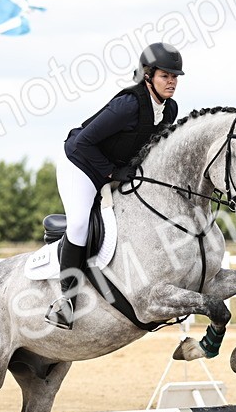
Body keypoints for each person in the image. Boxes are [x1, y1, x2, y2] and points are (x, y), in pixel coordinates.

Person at [46, 42, 184, 329]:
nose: (171, 82)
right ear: (148, 76)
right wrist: (111, 173)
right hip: (80, 165)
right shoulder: (128, 105)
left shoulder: (169, 110)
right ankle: (65, 301)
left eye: (175, 77)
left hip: (114, 169)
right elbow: (84, 142)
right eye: (165, 76)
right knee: (80, 224)